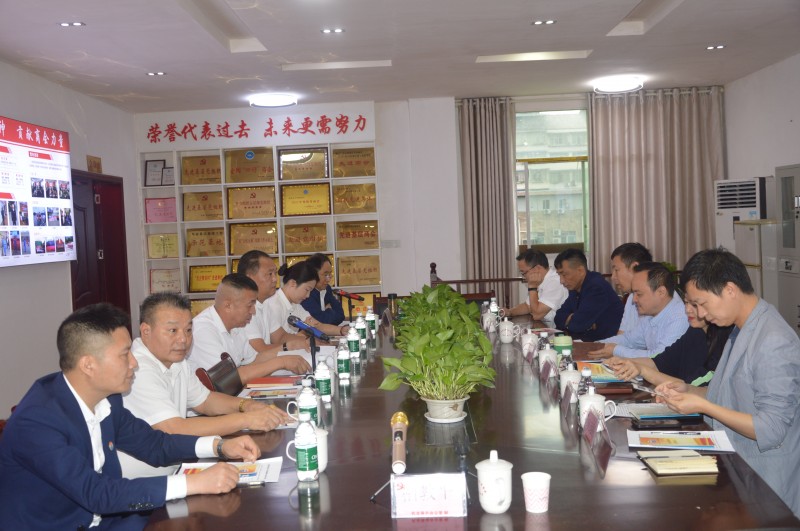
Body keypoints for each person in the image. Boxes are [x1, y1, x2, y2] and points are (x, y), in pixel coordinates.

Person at [0, 303, 260, 530]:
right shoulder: (37, 421)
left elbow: (154, 444)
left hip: (110, 521)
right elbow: (96, 493)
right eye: (125, 354)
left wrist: (219, 446)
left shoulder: (108, 399)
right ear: (88, 365)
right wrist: (193, 483)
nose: (134, 363)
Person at [656, 249, 800, 517]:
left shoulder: (773, 340)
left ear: (730, 290)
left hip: (767, 487)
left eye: (702, 303)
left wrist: (703, 406)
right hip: (738, 469)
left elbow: (771, 428)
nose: (700, 313)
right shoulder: (740, 328)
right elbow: (731, 394)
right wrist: (690, 391)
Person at [121, 292, 293, 478]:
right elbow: (174, 428)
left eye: (188, 330)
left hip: (176, 468)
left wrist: (247, 405)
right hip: (143, 482)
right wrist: (246, 419)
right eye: (173, 331)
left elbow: (205, 400)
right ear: (146, 331)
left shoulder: (176, 360)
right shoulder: (137, 369)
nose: (183, 339)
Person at [187, 273, 310, 383]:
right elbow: (228, 379)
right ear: (228, 306)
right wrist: (282, 362)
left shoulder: (236, 325)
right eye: (249, 305)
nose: (253, 311)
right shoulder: (203, 330)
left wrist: (288, 347)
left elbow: (254, 360)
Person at [605, 299, 733, 386]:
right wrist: (625, 362)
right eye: (686, 302)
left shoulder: (726, 339)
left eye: (695, 304)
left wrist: (642, 370)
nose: (687, 309)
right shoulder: (695, 331)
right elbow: (660, 361)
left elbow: (692, 388)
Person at [591, 262, 688, 358]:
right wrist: (595, 345)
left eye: (639, 294)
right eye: (633, 294)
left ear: (661, 292)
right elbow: (629, 340)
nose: (634, 300)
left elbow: (659, 356)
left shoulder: (680, 318)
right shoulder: (650, 314)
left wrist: (616, 350)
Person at [238, 250, 310, 356]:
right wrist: (289, 346)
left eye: (275, 273)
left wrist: (307, 342)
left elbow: (280, 337)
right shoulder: (243, 308)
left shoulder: (265, 303)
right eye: (270, 274)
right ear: (250, 278)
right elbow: (260, 350)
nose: (275, 279)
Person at [266, 261, 350, 347]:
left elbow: (317, 325)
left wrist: (341, 330)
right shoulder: (274, 304)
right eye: (307, 290)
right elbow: (279, 340)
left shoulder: (295, 305)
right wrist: (305, 334)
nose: (308, 295)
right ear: (293, 283)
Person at [553, 248, 623, 341]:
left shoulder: (597, 287)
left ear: (580, 271)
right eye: (559, 275)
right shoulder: (575, 288)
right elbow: (558, 317)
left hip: (606, 343)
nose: (561, 281)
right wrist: (580, 321)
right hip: (586, 340)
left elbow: (577, 325)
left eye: (564, 275)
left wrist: (573, 319)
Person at [501, 248, 567, 322]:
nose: (523, 277)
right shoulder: (540, 281)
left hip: (557, 327)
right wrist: (510, 312)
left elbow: (537, 315)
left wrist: (532, 287)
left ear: (537, 268)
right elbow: (528, 306)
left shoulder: (555, 282)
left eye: (523, 273)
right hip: (545, 325)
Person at [609, 242, 653, 334]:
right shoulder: (631, 297)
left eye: (616, 270)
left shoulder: (658, 297)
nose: (613, 277)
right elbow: (622, 335)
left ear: (635, 267)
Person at [301, 253, 346, 325]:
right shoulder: (306, 293)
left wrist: (326, 313)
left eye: (330, 274)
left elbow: (341, 315)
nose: (328, 279)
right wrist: (329, 310)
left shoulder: (327, 289)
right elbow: (320, 321)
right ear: (313, 274)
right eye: (325, 275)